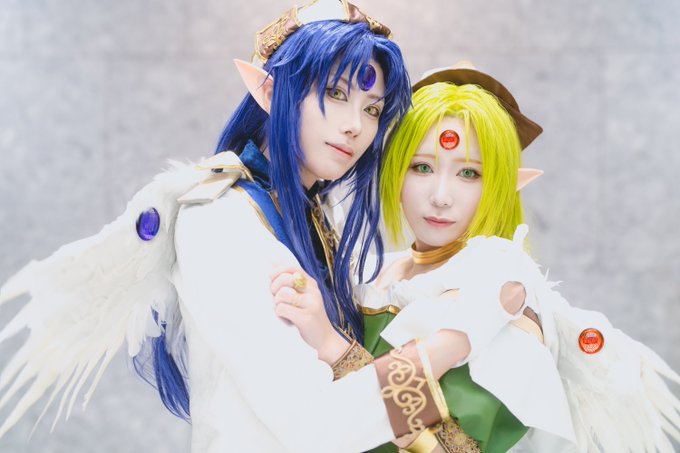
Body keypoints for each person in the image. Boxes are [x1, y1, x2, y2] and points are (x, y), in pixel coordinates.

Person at [0, 2, 476, 452]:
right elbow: (316, 423)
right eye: (335, 93)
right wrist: (450, 344)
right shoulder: (220, 222)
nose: (355, 125)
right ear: (268, 91)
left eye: (372, 109)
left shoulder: (315, 215)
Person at [271, 62, 680, 452]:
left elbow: (448, 449)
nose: (441, 196)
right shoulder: (380, 275)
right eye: (421, 167)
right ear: (394, 171)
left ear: (503, 186)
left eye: (469, 173)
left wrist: (332, 346)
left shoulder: (498, 287)